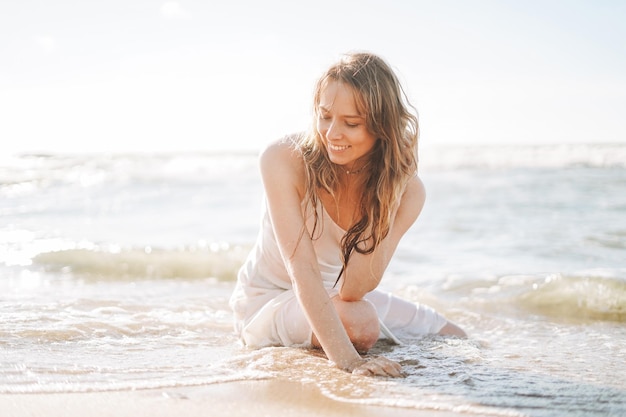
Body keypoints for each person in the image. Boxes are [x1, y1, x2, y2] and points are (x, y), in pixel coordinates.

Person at [229, 52, 465, 377]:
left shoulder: (408, 192)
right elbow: (303, 269)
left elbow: (354, 289)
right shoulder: (283, 159)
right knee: (362, 323)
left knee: (452, 335)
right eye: (325, 116)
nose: (331, 134)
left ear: (383, 127)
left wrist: (387, 193)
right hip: (269, 301)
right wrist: (350, 362)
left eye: (351, 123)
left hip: (338, 295)